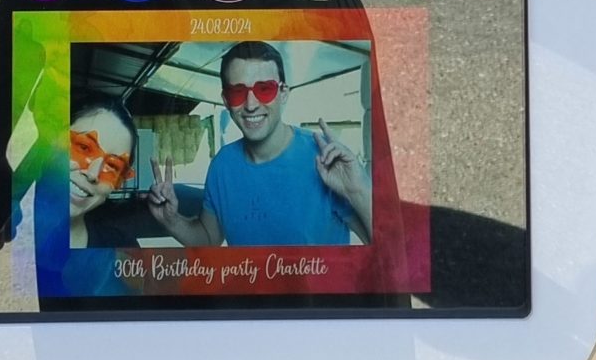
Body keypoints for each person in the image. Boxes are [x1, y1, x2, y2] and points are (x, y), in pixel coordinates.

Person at [148, 42, 370, 249]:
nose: (251, 104)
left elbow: (382, 246)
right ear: (226, 100)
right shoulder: (222, 166)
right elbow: (209, 239)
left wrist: (358, 191)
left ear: (283, 94)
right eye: (238, 92)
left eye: (265, 89)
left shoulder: (325, 159)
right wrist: (172, 220)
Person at [65, 96, 139, 249]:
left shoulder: (122, 249)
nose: (93, 174)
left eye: (112, 166)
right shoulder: (11, 229)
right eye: (84, 148)